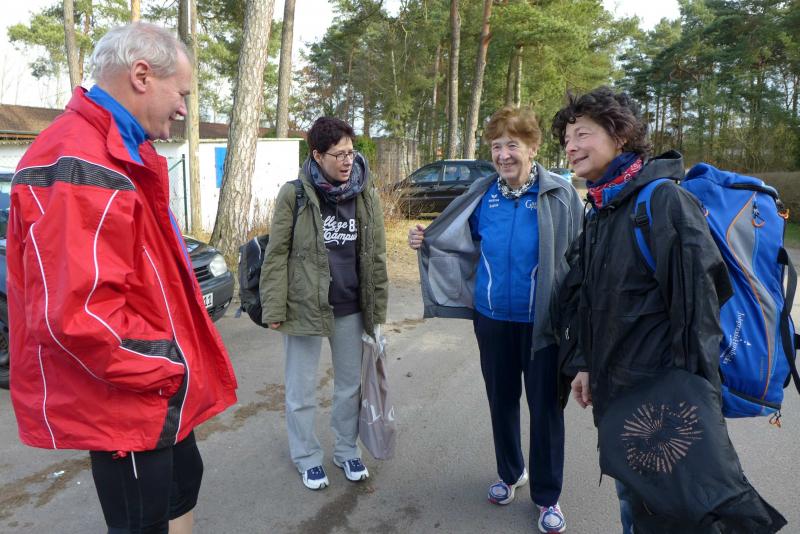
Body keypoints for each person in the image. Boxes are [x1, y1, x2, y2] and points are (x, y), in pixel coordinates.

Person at [6, 23, 238, 534]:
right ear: (141, 76)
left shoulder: (119, 151)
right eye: (181, 93)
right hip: (132, 402)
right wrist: (169, 369)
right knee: (143, 522)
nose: (184, 109)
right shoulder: (81, 162)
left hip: (152, 398)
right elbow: (80, 317)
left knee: (180, 495)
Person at [551, 87, 732, 533]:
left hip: (663, 403)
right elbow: (591, 301)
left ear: (620, 135)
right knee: (634, 504)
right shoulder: (601, 207)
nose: (571, 146)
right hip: (617, 396)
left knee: (667, 515)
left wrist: (697, 409)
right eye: (567, 138)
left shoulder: (662, 202)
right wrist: (584, 363)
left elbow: (700, 315)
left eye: (582, 134)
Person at [409, 106, 582, 533]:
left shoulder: (560, 195)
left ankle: (547, 496)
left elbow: (580, 261)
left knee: (545, 409)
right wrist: (424, 239)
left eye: (512, 145)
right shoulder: (483, 194)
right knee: (501, 401)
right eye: (496, 147)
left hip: (542, 324)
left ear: (532, 147)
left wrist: (578, 326)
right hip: (491, 320)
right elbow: (459, 242)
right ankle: (511, 472)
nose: (503, 155)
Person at [260, 117, 388, 490]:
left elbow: (376, 256)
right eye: (338, 155)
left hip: (351, 306)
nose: (348, 161)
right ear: (317, 156)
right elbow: (276, 253)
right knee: (300, 390)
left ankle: (347, 450)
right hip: (303, 305)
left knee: (350, 387)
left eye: (351, 152)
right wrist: (274, 308)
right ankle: (306, 456)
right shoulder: (294, 195)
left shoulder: (365, 193)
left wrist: (377, 312)